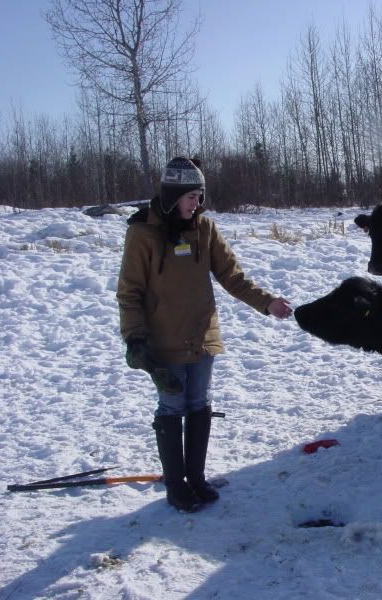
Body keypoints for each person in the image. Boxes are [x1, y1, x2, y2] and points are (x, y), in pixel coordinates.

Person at [117, 156, 292, 512]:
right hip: (164, 340)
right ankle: (176, 485)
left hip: (202, 336)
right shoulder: (142, 234)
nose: (197, 204)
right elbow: (129, 292)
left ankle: (196, 478)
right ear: (172, 196)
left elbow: (233, 277)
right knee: (172, 406)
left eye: (199, 196)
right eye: (190, 197)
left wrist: (267, 302)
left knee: (199, 404)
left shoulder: (205, 229)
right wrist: (135, 338)